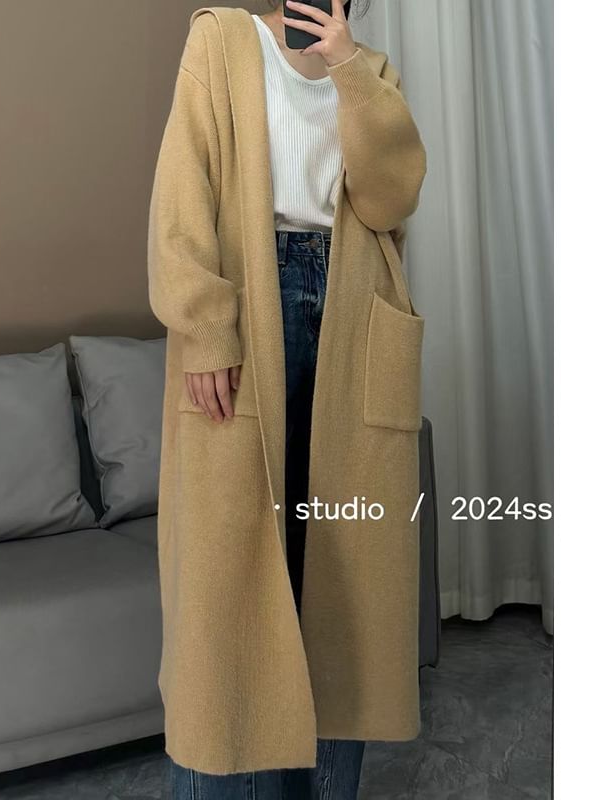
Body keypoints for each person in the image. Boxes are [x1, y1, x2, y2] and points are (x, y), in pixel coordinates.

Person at [147, 1, 427, 798]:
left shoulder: (370, 71)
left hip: (353, 309)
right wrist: (206, 328)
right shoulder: (222, 37)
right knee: (230, 579)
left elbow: (388, 203)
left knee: (345, 579)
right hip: (247, 305)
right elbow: (182, 190)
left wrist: (347, 67)